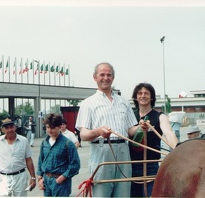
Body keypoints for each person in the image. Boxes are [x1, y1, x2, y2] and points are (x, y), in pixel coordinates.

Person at [75, 62, 149, 197]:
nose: (106, 78)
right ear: (95, 77)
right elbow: (83, 134)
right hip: (101, 152)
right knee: (101, 193)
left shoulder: (123, 102)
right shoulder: (88, 103)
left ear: (113, 77)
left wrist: (141, 128)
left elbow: (130, 130)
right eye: (102, 74)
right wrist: (98, 132)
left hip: (123, 152)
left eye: (109, 75)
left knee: (123, 193)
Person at [130, 83, 178, 197]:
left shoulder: (160, 116)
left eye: (146, 93)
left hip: (151, 165)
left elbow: (169, 133)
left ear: (151, 97)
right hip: (130, 165)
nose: (143, 96)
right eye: (140, 93)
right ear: (136, 97)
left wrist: (178, 149)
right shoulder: (130, 116)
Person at [0, 118, 36, 196]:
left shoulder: (23, 140)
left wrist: (33, 177)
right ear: (2, 130)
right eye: (7, 128)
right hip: (4, 177)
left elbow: (28, 159)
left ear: (15, 127)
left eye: (11, 127)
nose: (10, 130)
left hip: (20, 177)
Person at [37, 113, 80, 197]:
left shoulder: (68, 144)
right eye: (47, 127)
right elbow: (41, 161)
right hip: (46, 181)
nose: (49, 130)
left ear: (60, 127)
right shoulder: (44, 143)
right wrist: (40, 178)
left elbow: (75, 165)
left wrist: (62, 178)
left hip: (60, 182)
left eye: (52, 128)